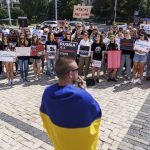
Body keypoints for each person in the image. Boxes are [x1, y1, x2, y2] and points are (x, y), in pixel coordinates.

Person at [40, 57, 102, 150]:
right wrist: (84, 91)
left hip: (60, 145)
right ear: (70, 74)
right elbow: (96, 114)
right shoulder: (83, 96)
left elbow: (45, 117)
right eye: (77, 70)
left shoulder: (47, 92)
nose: (78, 73)